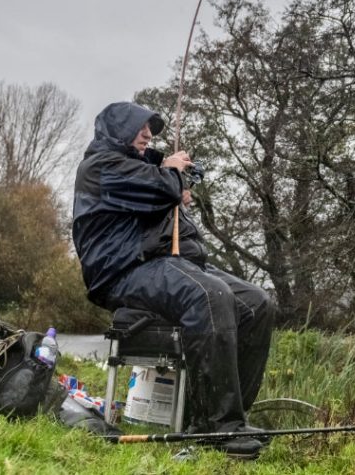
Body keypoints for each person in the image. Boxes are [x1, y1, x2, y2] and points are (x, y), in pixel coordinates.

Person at [72, 102, 273, 458]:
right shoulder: (100, 167)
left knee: (258, 303)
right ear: (117, 131)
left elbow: (163, 182)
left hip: (163, 262)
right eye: (140, 128)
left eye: (151, 129)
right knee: (210, 295)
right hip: (124, 270)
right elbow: (153, 186)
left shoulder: (141, 166)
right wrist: (171, 178)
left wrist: (179, 177)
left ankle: (225, 417)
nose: (148, 135)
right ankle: (218, 426)